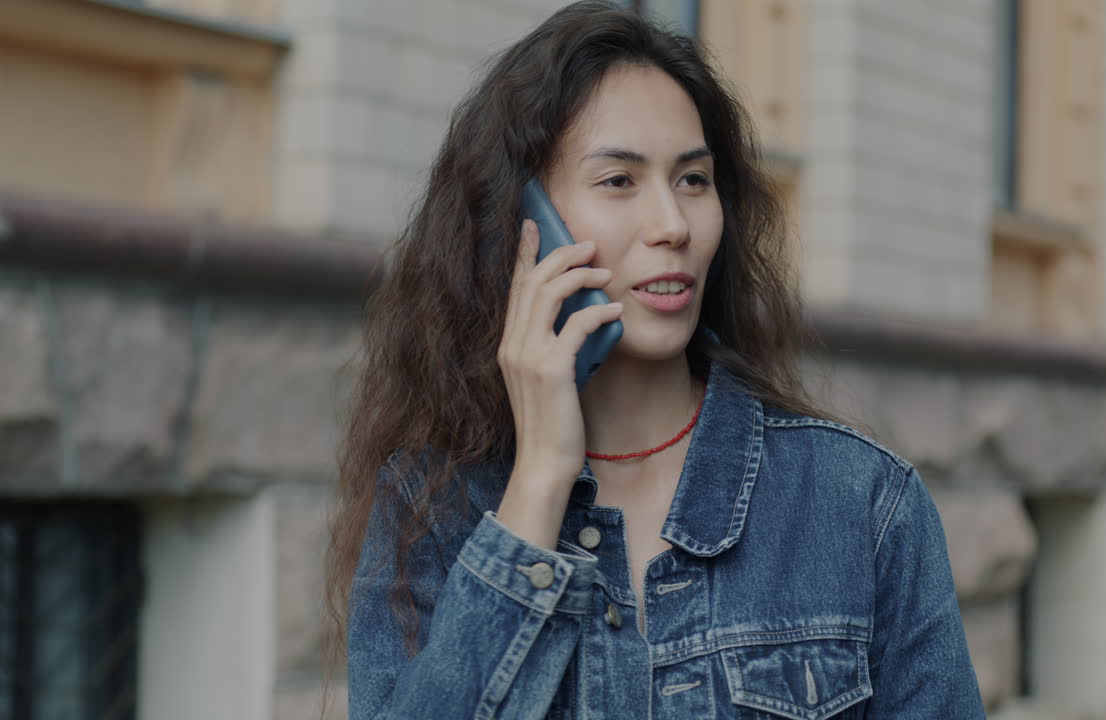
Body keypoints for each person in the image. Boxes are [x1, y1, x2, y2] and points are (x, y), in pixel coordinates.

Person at [326, 2, 985, 718]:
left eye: (693, 180)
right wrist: (538, 485)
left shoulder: (862, 503)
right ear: (522, 224)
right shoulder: (434, 508)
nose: (673, 225)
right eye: (619, 181)